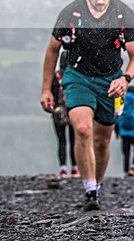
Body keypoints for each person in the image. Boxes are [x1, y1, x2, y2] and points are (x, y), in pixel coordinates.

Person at [39, 0, 134, 211]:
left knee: (101, 141)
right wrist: (46, 89)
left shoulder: (123, 14)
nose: (99, 0)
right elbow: (52, 50)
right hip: (77, 76)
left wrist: (125, 79)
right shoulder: (70, 13)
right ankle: (89, 192)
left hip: (111, 80)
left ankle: (97, 184)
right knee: (83, 129)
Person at [51, 51, 79, 179]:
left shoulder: (55, 77)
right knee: (74, 141)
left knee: (61, 141)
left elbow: (52, 94)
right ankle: (75, 168)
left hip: (58, 112)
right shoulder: (73, 76)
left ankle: (62, 168)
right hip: (72, 111)